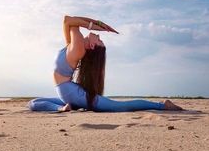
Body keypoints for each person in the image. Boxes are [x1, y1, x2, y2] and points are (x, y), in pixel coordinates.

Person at [28, 15, 183, 112]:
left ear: (92, 46)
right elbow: (67, 21)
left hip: (68, 91)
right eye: (101, 39)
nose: (99, 37)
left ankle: (162, 105)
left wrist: (93, 25)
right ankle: (62, 108)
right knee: (34, 103)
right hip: (66, 91)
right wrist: (96, 23)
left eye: (100, 40)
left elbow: (71, 21)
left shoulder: (78, 49)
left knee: (118, 106)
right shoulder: (74, 46)